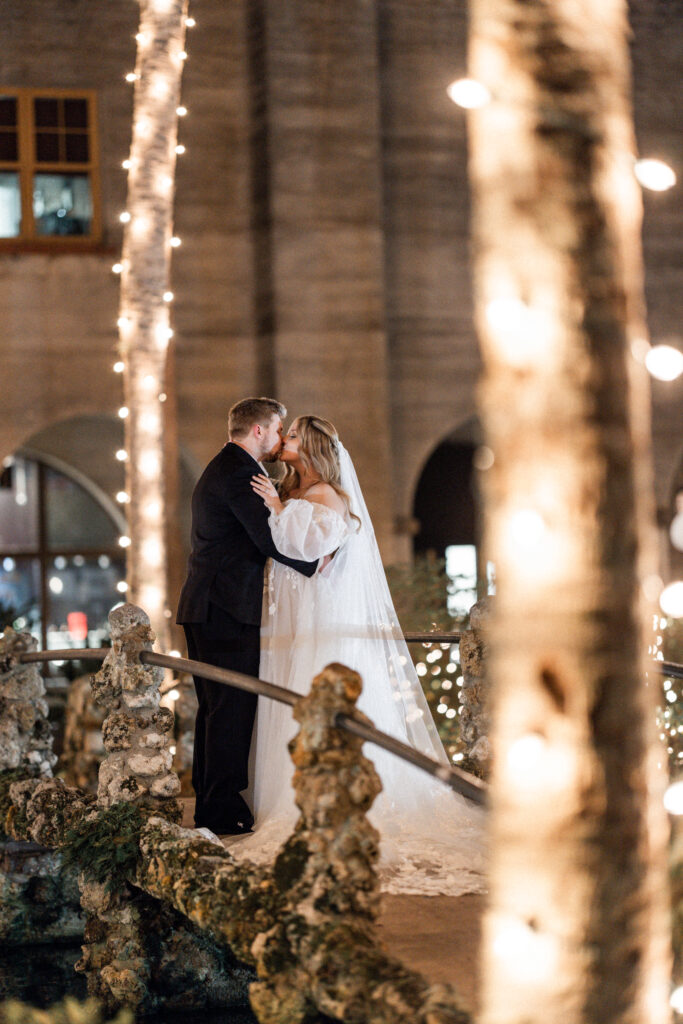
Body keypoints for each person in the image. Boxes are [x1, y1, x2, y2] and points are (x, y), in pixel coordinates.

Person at [242, 415, 486, 896]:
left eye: (291, 435)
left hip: (323, 628)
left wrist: (276, 509)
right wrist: (280, 503)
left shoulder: (330, 498)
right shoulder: (297, 493)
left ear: (310, 448)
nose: (284, 440)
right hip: (293, 626)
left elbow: (314, 553)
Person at [176, 398, 319, 836]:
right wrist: (316, 563)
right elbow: (267, 539)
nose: (280, 438)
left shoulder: (227, 466)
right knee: (231, 707)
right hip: (223, 607)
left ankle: (211, 802)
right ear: (259, 430)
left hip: (208, 605)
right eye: (278, 429)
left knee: (216, 709)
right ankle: (221, 809)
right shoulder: (241, 472)